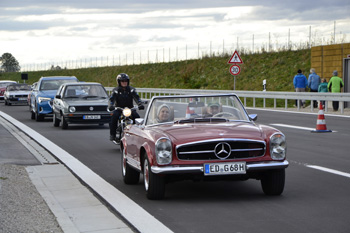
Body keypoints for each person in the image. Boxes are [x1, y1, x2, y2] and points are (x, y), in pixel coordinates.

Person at [108, 73, 144, 141]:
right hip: (119, 109)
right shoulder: (116, 90)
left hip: (130, 109)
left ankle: (139, 135)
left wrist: (140, 104)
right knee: (113, 118)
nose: (124, 82)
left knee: (137, 118)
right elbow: (111, 99)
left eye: (126, 81)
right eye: (122, 81)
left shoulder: (131, 90)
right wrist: (111, 106)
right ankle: (112, 134)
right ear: (119, 82)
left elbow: (137, 98)